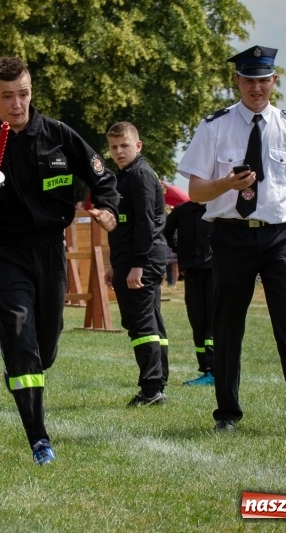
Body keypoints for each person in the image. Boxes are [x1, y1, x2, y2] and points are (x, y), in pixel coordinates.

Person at [0, 56, 119, 465]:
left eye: (23, 94)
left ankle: (20, 374)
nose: (17, 104)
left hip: (50, 251)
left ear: (31, 91)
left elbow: (103, 177)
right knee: (19, 334)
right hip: (5, 252)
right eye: (7, 96)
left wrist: (107, 207)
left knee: (46, 347)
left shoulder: (58, 135)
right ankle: (39, 439)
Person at [177, 45, 286, 434]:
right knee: (228, 326)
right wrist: (226, 184)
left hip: (282, 239)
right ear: (237, 81)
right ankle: (227, 415)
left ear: (274, 81)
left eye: (263, 79)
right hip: (231, 236)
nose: (256, 87)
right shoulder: (213, 127)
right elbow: (196, 192)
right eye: (249, 79)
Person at [103, 122, 169, 406]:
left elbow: (146, 223)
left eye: (124, 146)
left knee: (140, 324)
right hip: (129, 259)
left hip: (141, 260)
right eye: (114, 147)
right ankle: (158, 383)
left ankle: (152, 389)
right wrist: (114, 264)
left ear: (138, 146)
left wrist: (138, 265)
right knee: (151, 321)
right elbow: (124, 226)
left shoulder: (140, 175)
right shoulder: (126, 175)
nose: (119, 151)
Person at [164, 201, 215, 386]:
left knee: (213, 321)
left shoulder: (219, 206)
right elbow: (166, 231)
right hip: (192, 272)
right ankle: (205, 370)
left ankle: (215, 370)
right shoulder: (182, 210)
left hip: (214, 272)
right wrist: (180, 249)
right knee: (197, 321)